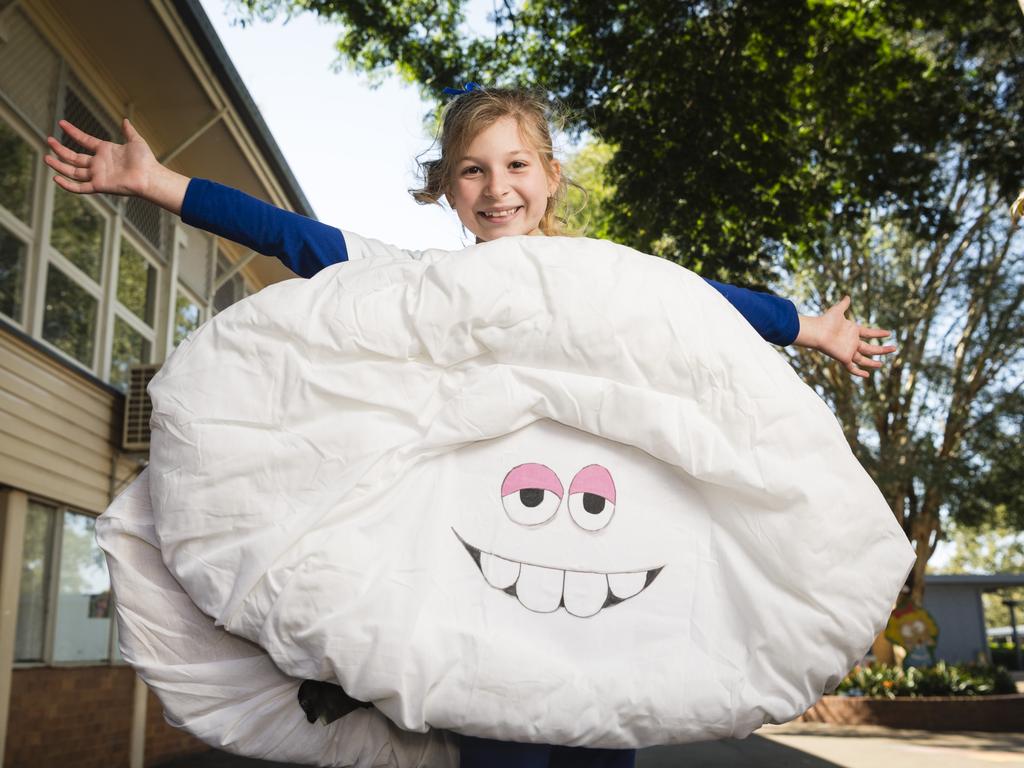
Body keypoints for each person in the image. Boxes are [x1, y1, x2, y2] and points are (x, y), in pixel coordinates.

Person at [46, 86, 895, 768]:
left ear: (552, 175)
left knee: (603, 729)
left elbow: (700, 310)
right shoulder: (413, 287)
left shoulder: (607, 283)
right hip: (484, 604)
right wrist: (157, 183)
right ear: (445, 188)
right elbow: (293, 239)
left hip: (600, 578)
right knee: (503, 738)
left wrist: (809, 328)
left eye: (517, 164)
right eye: (471, 172)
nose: (498, 189)